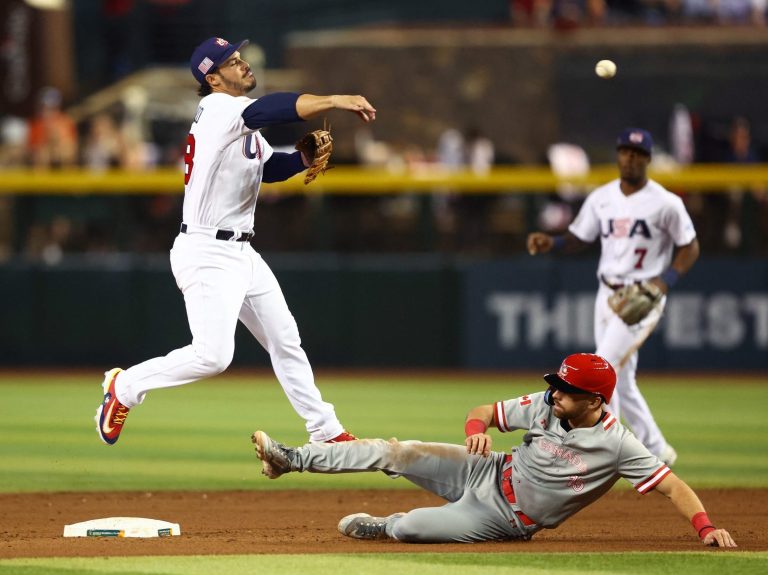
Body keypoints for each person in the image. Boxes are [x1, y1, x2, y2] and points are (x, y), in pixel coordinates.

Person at [96, 37, 377, 446]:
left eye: (241, 57)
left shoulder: (238, 119)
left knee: (285, 338)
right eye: (232, 62)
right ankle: (124, 387)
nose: (243, 64)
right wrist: (333, 99)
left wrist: (300, 160)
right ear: (212, 78)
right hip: (207, 251)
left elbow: (268, 169)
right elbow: (271, 108)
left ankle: (325, 429)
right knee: (213, 356)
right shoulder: (218, 109)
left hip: (241, 251)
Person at [251, 353, 735, 547]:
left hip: (505, 519)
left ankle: (387, 527)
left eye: (566, 390)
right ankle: (292, 458)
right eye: (557, 385)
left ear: (594, 400)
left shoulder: (618, 443)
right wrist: (474, 429)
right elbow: (482, 410)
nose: (554, 393)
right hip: (486, 470)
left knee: (414, 526)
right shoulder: (549, 404)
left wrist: (706, 528)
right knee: (394, 451)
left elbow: (672, 485)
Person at [526, 128, 700, 466]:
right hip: (606, 291)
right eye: (624, 151)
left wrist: (665, 282)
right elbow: (579, 236)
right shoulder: (602, 197)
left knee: (603, 364)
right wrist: (553, 243)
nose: (630, 158)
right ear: (618, 155)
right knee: (623, 377)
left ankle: (606, 448)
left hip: (643, 293)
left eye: (637, 153)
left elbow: (690, 246)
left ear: (647, 159)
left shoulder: (666, 202)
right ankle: (658, 449)